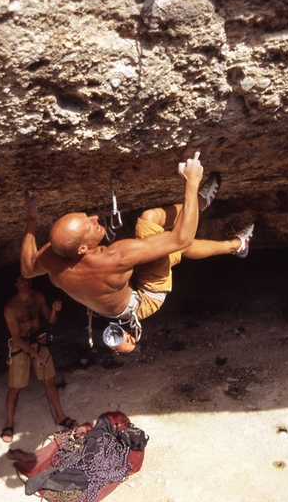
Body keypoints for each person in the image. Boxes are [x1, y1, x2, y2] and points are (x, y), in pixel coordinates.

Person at [20, 151, 254, 352]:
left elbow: (27, 268)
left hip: (115, 300)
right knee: (162, 232)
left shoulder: (51, 256)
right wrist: (191, 183)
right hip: (147, 297)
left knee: (159, 236)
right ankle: (234, 242)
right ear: (82, 248)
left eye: (87, 216)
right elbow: (182, 238)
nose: (94, 218)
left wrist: (31, 221)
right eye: (89, 224)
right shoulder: (115, 257)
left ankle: (199, 208)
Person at [0, 275, 76, 443]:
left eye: (27, 280)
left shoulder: (38, 297)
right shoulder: (11, 307)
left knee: (49, 381)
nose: (25, 284)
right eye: (21, 281)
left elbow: (50, 321)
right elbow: (17, 338)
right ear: (16, 284)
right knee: (15, 387)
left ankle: (60, 416)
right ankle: (9, 423)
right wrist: (35, 356)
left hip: (38, 340)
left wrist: (55, 310)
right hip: (20, 345)